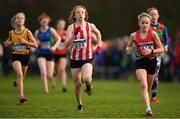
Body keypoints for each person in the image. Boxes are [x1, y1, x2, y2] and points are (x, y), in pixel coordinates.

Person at [126, 12, 164, 116]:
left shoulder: (153, 34)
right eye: (143, 23)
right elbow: (128, 46)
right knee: (143, 84)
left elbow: (161, 49)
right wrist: (128, 49)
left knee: (148, 88)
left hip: (152, 61)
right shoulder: (133, 35)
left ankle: (146, 100)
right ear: (139, 23)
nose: (145, 25)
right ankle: (148, 109)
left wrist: (152, 51)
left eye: (147, 23)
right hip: (140, 62)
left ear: (150, 24)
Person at [65, 5, 102, 110]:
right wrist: (73, 36)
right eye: (78, 12)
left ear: (85, 15)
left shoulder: (90, 26)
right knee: (77, 84)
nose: (80, 14)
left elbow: (98, 34)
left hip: (87, 57)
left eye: (82, 12)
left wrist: (99, 46)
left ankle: (89, 86)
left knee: (86, 78)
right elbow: (66, 44)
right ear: (74, 16)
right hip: (75, 59)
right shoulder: (71, 27)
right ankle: (79, 103)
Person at [4, 12, 38, 103]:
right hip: (15, 56)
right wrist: (7, 43)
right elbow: (6, 42)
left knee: (22, 77)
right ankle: (21, 95)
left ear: (24, 21)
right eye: (17, 18)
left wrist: (25, 42)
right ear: (14, 21)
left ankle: (16, 82)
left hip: (25, 57)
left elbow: (35, 45)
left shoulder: (27, 32)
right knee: (19, 74)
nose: (20, 19)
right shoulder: (11, 33)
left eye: (21, 18)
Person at [34, 12, 61, 95]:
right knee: (43, 72)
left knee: (49, 75)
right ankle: (46, 90)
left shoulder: (51, 30)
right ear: (40, 22)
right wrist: (36, 43)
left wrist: (54, 47)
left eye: (46, 20)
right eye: (42, 20)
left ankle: (52, 78)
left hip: (50, 53)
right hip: (40, 53)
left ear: (48, 21)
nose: (44, 22)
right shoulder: (37, 32)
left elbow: (59, 39)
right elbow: (34, 42)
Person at [147, 7, 169, 103]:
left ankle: (154, 96)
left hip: (157, 53)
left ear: (158, 16)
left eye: (155, 14)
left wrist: (166, 46)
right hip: (147, 54)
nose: (154, 16)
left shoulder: (162, 27)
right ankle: (145, 91)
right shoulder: (146, 26)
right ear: (149, 16)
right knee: (147, 74)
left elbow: (166, 39)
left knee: (155, 75)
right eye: (152, 14)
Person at [54, 19, 68, 92]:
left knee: (62, 69)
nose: (61, 25)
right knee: (56, 71)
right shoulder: (54, 33)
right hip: (55, 54)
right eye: (60, 24)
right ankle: (55, 77)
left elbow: (69, 42)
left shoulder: (66, 33)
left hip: (63, 54)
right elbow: (50, 42)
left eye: (63, 24)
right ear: (57, 25)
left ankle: (64, 85)